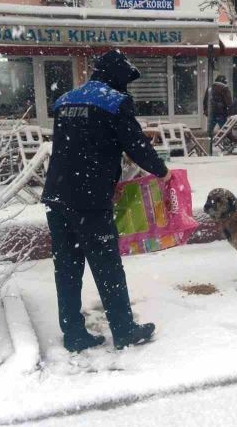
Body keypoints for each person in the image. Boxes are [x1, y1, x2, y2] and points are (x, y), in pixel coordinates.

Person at [42, 49, 171, 352]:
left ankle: (73, 333)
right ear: (117, 77)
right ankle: (124, 330)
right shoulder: (114, 103)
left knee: (67, 268)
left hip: (57, 196)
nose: (127, 87)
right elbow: (136, 145)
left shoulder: (65, 101)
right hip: (89, 200)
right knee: (107, 266)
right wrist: (161, 171)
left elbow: (72, 146)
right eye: (126, 80)